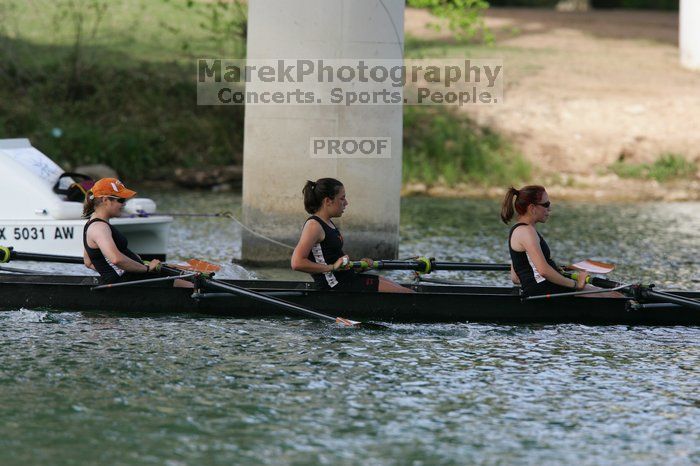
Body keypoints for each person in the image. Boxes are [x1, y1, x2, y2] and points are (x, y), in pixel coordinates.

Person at [291, 178, 412, 293]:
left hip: (348, 279)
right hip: (335, 287)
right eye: (342, 198)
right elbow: (297, 263)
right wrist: (332, 267)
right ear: (328, 201)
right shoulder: (314, 225)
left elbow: (332, 258)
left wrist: (358, 266)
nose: (346, 203)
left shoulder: (328, 222)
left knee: (406, 291)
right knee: (406, 294)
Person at [500, 185, 614, 297]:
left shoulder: (516, 230)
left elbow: (515, 278)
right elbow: (544, 271)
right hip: (544, 291)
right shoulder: (527, 232)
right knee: (615, 296)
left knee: (607, 293)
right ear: (532, 208)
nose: (549, 209)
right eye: (546, 204)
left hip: (539, 290)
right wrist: (576, 284)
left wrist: (556, 274)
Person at [82, 178, 189, 287]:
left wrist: (131, 265)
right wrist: (146, 269)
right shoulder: (99, 228)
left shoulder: (91, 224)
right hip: (127, 284)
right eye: (121, 200)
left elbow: (88, 262)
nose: (124, 205)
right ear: (105, 200)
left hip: (129, 279)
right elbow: (116, 259)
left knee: (179, 270)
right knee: (191, 284)